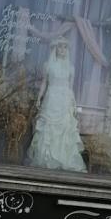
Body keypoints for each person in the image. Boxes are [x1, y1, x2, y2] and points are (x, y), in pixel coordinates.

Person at [27, 37, 86, 172]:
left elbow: (70, 87)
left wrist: (73, 102)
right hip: (51, 99)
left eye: (65, 47)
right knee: (48, 128)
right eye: (60, 46)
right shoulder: (48, 65)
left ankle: (63, 159)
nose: (62, 50)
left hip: (64, 100)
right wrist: (39, 98)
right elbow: (44, 83)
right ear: (55, 48)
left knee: (65, 128)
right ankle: (46, 159)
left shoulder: (71, 68)